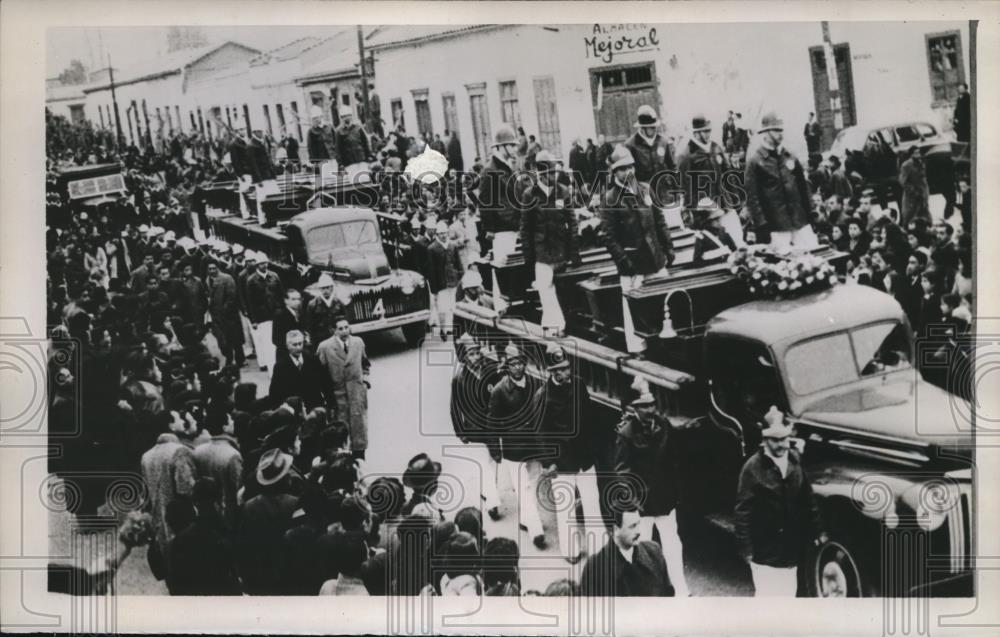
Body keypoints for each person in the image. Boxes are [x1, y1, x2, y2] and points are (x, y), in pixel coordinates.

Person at [734, 407, 826, 597]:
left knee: (788, 595)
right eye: (775, 440)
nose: (781, 445)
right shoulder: (752, 468)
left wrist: (817, 530)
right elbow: (743, 511)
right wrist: (746, 548)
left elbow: (807, 498)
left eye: (783, 439)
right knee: (768, 599)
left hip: (790, 549)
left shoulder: (795, 461)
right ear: (765, 441)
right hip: (764, 551)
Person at [598, 145, 674, 355]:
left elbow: (660, 222)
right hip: (633, 265)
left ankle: (664, 345)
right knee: (633, 309)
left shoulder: (645, 189)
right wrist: (625, 263)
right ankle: (638, 350)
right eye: (622, 168)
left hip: (655, 260)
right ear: (614, 172)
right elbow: (609, 237)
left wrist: (668, 248)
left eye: (630, 166)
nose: (628, 172)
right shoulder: (609, 199)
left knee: (663, 302)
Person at [614, 390, 689, 596]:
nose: (650, 410)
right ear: (635, 408)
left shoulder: (663, 425)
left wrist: (676, 491)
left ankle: (680, 589)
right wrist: (633, 501)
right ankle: (645, 590)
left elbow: (673, 459)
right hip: (642, 503)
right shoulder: (626, 433)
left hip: (664, 498)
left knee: (672, 545)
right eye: (644, 406)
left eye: (652, 405)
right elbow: (622, 471)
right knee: (643, 548)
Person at [534, 346, 601, 564]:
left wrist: (592, 449)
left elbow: (590, 418)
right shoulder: (543, 396)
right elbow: (541, 432)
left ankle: (598, 547)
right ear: (552, 372)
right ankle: (570, 550)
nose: (566, 373)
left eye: (567, 367)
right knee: (566, 507)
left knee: (592, 501)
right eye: (560, 370)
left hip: (584, 457)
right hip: (562, 462)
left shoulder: (579, 385)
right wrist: (549, 462)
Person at [486, 342, 544, 548]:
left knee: (535, 485)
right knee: (523, 488)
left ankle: (525, 519)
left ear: (525, 363)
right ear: (506, 366)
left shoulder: (536, 384)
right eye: (512, 364)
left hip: (534, 446)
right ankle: (536, 531)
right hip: (513, 449)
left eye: (520, 363)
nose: (517, 367)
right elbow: (492, 422)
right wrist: (495, 450)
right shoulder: (500, 391)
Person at [519, 150, 580, 336]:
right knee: (545, 289)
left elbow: (572, 222)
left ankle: (555, 325)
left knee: (560, 290)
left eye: (554, 173)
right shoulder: (530, 195)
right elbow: (525, 229)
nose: (552, 177)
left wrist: (574, 251)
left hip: (561, 249)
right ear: (540, 174)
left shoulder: (563, 192)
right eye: (548, 173)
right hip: (542, 252)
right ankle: (556, 328)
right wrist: (529, 257)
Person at [744, 112, 817, 251]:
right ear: (765, 132)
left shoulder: (790, 156)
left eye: (781, 130)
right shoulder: (755, 161)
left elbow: (803, 186)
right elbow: (752, 197)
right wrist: (761, 224)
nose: (780, 134)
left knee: (814, 256)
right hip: (776, 225)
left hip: (800, 220)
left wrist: (811, 211)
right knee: (783, 263)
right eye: (776, 130)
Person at [140, 409, 198, 580]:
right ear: (170, 425)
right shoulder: (180, 451)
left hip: (159, 520)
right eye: (178, 418)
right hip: (180, 517)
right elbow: (186, 488)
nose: (183, 420)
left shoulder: (147, 455)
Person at [166, 478, 243, 595]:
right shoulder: (225, 538)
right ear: (217, 503)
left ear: (195, 504)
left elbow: (174, 585)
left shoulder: (179, 540)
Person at [237, 448, 299, 595]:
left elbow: (243, 543)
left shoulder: (248, 507)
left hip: (260, 574)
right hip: (287, 572)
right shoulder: (294, 503)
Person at [580, 504, 674, 597]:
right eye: (632, 526)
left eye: (638, 524)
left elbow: (668, 597)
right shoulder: (594, 568)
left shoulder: (654, 553)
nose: (639, 532)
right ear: (616, 529)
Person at [316, 317, 371, 461]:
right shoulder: (325, 347)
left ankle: (360, 461)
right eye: (340, 328)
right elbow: (319, 373)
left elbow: (365, 364)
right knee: (341, 433)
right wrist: (327, 396)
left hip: (356, 394)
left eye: (346, 327)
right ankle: (342, 464)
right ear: (333, 330)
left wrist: (364, 383)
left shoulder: (358, 342)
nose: (344, 331)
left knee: (359, 433)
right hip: (338, 396)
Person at [192, 407, 243, 533]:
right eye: (230, 420)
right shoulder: (233, 455)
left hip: (204, 511)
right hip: (227, 514)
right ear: (224, 427)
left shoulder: (198, 450)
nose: (232, 422)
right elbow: (238, 488)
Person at [478, 124, 522, 262]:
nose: (515, 149)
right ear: (501, 147)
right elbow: (485, 202)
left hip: (514, 227)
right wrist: (490, 228)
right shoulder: (489, 170)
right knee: (506, 270)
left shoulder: (509, 166)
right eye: (512, 145)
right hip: (502, 230)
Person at [676, 114, 732, 213]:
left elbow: (728, 174)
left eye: (709, 131)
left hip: (724, 203)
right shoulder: (687, 155)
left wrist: (733, 200)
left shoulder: (716, 148)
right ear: (696, 133)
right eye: (705, 131)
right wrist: (693, 210)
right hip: (704, 209)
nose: (708, 134)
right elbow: (685, 188)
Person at [625, 105, 676, 207]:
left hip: (665, 193)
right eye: (651, 127)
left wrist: (676, 190)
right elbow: (628, 174)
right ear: (642, 128)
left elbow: (672, 167)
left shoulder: (662, 141)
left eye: (655, 126)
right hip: (645, 196)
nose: (655, 129)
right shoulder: (631, 145)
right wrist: (638, 195)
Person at [269, 330, 329, 410]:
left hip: (315, 406)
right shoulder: (280, 366)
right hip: (295, 409)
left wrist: (331, 404)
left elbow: (325, 383)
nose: (298, 347)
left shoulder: (313, 360)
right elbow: (275, 393)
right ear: (287, 346)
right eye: (294, 345)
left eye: (300, 343)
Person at [245, 254, 284, 373]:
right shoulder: (251, 281)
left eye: (266, 263)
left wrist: (283, 311)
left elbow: (281, 295)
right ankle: (273, 371)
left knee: (278, 343)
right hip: (262, 318)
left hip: (276, 314)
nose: (264, 265)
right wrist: (253, 320)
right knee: (268, 345)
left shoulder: (274, 276)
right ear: (257, 265)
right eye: (262, 263)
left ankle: (281, 368)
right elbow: (250, 302)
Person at [426, 221, 463, 340]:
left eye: (445, 233)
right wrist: (434, 288)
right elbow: (431, 270)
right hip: (441, 282)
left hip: (453, 280)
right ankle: (443, 329)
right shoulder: (432, 248)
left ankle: (450, 328)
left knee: (452, 306)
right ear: (437, 234)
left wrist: (460, 276)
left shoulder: (452, 245)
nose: (443, 235)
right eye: (441, 233)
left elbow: (458, 263)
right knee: (442, 308)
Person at [205, 261, 244, 368]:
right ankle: (229, 358)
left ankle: (240, 359)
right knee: (223, 339)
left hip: (229, 315)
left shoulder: (227, 278)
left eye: (214, 268)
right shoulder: (207, 281)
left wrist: (226, 309)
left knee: (235, 338)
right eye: (210, 269)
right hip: (216, 316)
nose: (212, 271)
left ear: (218, 268)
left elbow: (232, 296)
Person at [302, 273, 344, 348]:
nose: (325, 291)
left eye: (327, 287)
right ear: (319, 289)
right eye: (323, 288)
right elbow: (309, 325)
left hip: (337, 338)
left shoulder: (338, 303)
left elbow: (345, 320)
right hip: (321, 340)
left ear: (332, 288)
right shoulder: (312, 305)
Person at [899, 146, 931, 227]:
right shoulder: (906, 165)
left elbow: (923, 178)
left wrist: (925, 192)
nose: (918, 155)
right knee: (909, 216)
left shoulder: (921, 163)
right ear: (911, 154)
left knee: (925, 215)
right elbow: (903, 181)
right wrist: (913, 191)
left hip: (923, 194)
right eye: (915, 153)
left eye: (919, 152)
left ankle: (926, 228)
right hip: (912, 196)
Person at [272, 287, 306, 358]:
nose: (297, 302)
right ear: (286, 300)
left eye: (299, 299)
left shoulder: (301, 313)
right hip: (285, 354)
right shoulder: (280, 315)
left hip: (299, 350)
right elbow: (276, 339)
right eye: (293, 299)